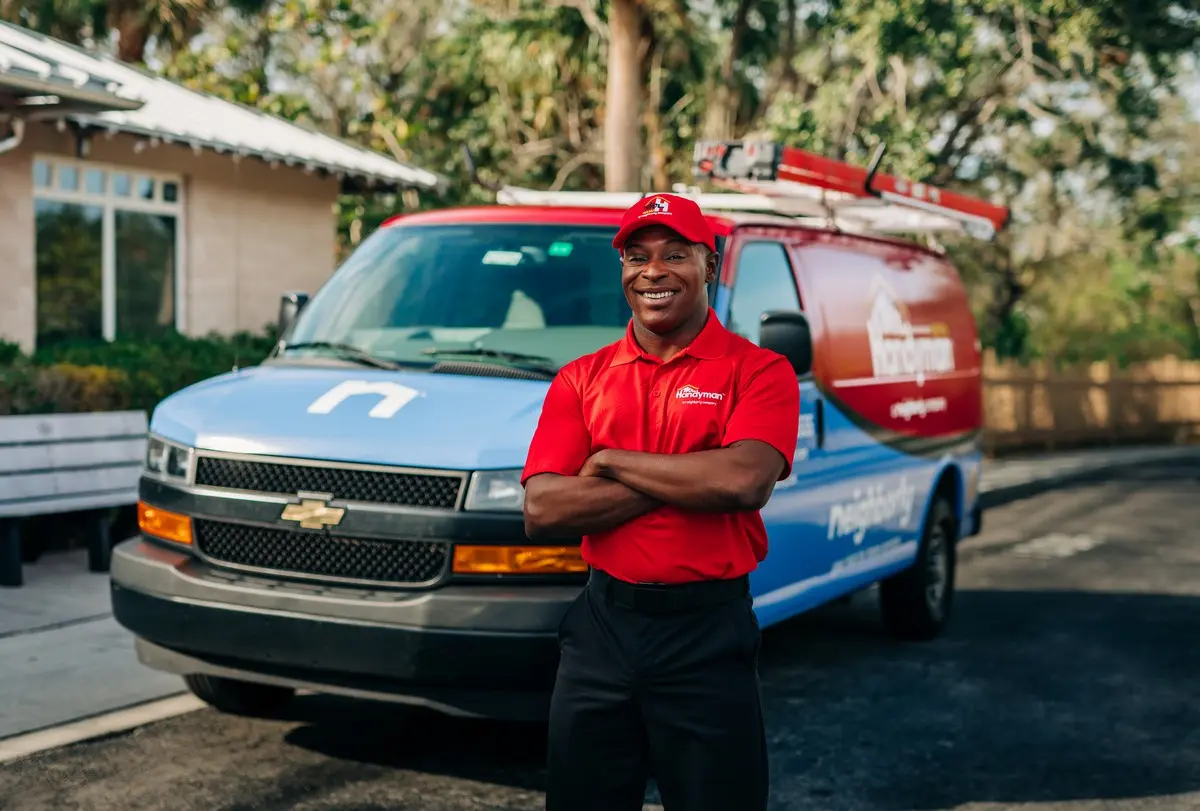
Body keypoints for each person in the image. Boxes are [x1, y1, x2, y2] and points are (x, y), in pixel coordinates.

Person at [520, 192, 802, 811]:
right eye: (636, 257)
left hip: (706, 634)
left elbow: (742, 482)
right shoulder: (581, 378)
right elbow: (544, 510)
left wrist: (612, 462)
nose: (653, 271)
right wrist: (691, 477)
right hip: (602, 629)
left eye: (675, 253)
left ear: (710, 265)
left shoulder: (759, 372)